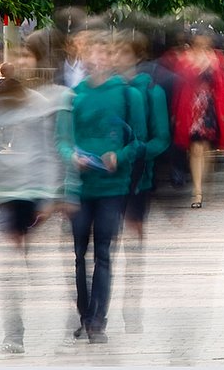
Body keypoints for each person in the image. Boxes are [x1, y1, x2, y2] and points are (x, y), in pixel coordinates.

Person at [59, 30, 147, 345]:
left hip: (113, 186)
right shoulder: (74, 96)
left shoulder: (128, 96)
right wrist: (72, 156)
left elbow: (138, 140)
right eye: (90, 53)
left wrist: (119, 156)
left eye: (103, 53)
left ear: (111, 58)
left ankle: (98, 320)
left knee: (104, 253)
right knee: (79, 254)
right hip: (81, 186)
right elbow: (62, 140)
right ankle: (84, 313)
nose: (96, 59)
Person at [0, 39, 70, 357]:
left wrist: (49, 196)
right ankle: (14, 335)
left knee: (41, 267)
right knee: (11, 265)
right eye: (16, 56)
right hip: (7, 192)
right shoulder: (0, 99)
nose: (19, 62)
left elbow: (50, 152)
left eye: (25, 56)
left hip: (36, 192)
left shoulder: (46, 102)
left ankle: (68, 327)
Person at [113, 30, 172, 334]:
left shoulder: (151, 91)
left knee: (132, 246)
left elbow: (161, 138)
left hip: (138, 179)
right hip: (105, 179)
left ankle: (131, 306)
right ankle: (98, 309)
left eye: (122, 52)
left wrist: (137, 153)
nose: (115, 58)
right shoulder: (105, 90)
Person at [166, 29, 224, 209]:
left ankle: (204, 180)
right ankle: (197, 191)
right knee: (196, 148)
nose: (202, 43)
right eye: (199, 41)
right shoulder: (184, 59)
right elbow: (179, 86)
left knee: (206, 148)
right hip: (191, 109)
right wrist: (175, 112)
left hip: (211, 108)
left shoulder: (218, 58)